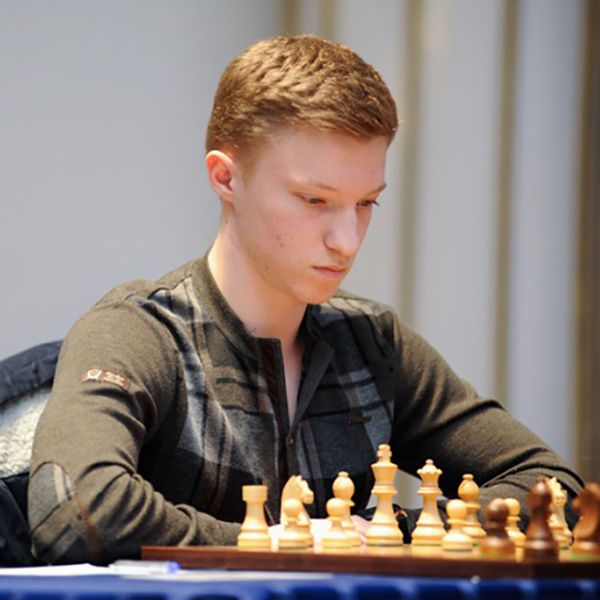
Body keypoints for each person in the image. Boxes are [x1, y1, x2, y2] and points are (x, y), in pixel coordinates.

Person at [27, 34, 582, 565]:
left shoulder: (372, 342)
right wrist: (276, 543)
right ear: (225, 178)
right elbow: (74, 511)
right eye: (314, 200)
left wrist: (386, 533)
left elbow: (556, 487)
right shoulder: (139, 331)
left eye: (366, 203)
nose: (348, 240)